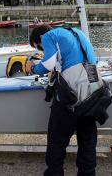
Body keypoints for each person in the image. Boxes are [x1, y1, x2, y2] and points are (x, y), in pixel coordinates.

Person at [25, 24, 98, 176]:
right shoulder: (77, 32)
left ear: (40, 39)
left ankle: (54, 173)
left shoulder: (49, 36)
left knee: (57, 140)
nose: (43, 51)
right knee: (88, 139)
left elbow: (48, 64)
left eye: (40, 48)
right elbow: (91, 60)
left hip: (70, 94)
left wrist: (32, 68)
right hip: (93, 89)